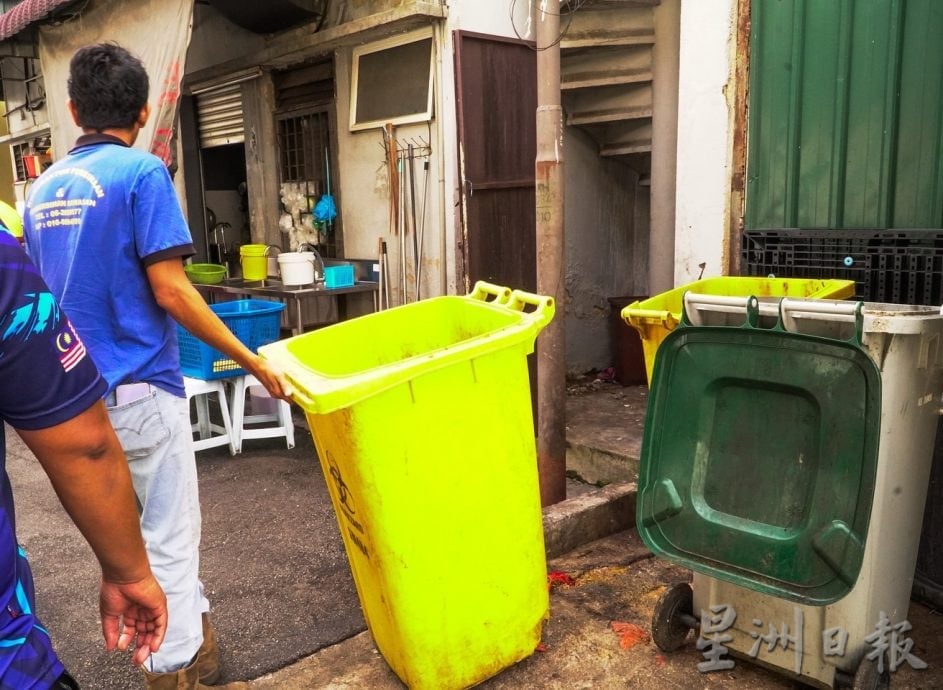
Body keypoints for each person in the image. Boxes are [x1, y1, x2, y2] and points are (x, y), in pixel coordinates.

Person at [23, 42, 291, 688]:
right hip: (141, 391)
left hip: (76, 403)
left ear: (73, 110)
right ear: (143, 112)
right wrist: (252, 359)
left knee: (132, 543)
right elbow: (171, 289)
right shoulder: (142, 173)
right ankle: (173, 673)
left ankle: (199, 646)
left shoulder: (43, 190)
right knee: (168, 541)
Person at [0, 227, 167, 688]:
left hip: (97, 379)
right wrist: (129, 572)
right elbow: (84, 448)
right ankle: (181, 668)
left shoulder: (39, 200)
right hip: (8, 662)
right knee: (170, 529)